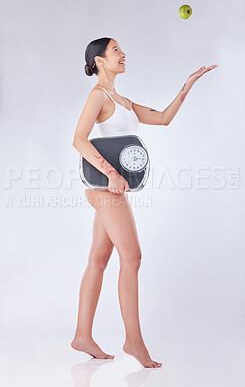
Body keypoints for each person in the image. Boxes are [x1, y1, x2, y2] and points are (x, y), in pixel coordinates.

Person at [71, 36, 218, 368]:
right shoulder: (98, 95)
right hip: (105, 187)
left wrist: (186, 87)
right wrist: (110, 173)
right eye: (115, 51)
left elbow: (164, 118)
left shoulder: (123, 101)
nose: (123, 54)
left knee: (98, 259)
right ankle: (133, 341)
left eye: (122, 50)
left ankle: (82, 334)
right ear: (99, 61)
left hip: (112, 189)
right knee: (132, 257)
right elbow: (79, 139)